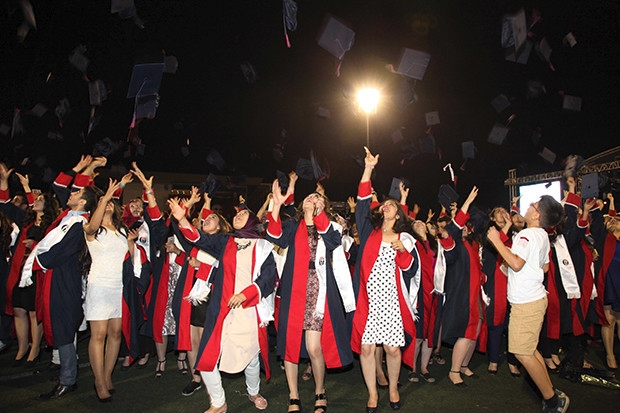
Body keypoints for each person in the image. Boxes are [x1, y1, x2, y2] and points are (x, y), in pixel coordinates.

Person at [171, 197, 277, 413]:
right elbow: (199, 238)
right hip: (222, 309)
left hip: (248, 310)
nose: (237, 215)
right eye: (236, 214)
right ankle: (218, 402)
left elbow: (268, 279)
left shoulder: (264, 246)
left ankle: (253, 391)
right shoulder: (225, 241)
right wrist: (183, 220)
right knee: (207, 356)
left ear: (252, 221)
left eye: (243, 214)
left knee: (250, 358)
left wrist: (246, 294)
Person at [266, 179, 355, 413]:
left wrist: (316, 216)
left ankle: (320, 389)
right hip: (294, 289)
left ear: (324, 206)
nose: (312, 198)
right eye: (309, 196)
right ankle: (293, 395)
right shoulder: (293, 226)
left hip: (318, 288)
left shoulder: (332, 226)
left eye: (318, 198)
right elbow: (275, 236)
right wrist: (275, 206)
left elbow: (334, 241)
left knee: (314, 347)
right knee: (290, 345)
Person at [28, 155, 105, 400]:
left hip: (67, 279)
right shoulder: (68, 216)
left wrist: (37, 261)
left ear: (82, 201)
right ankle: (64, 370)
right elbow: (60, 188)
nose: (70, 194)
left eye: (77, 193)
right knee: (61, 327)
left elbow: (60, 252)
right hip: (57, 277)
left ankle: (68, 379)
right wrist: (82, 168)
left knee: (63, 327)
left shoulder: (79, 224)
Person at [350, 147, 417, 413]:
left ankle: (392, 387)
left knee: (391, 349)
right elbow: (364, 199)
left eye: (392, 205)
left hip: (391, 302)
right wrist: (368, 168)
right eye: (385, 204)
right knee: (366, 350)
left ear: (399, 214)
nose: (386, 206)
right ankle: (372, 394)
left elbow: (412, 271)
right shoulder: (369, 231)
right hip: (368, 301)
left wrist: (403, 255)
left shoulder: (405, 238)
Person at [488, 195, 569, 413]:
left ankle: (553, 400)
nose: (529, 206)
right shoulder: (543, 235)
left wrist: (496, 240)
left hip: (526, 302)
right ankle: (551, 392)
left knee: (522, 352)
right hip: (534, 299)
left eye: (533, 205)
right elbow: (543, 267)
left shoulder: (525, 235)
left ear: (537, 214)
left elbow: (515, 264)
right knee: (529, 350)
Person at [83, 177, 131, 402]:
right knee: (99, 334)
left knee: (115, 333)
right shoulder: (91, 229)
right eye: (103, 202)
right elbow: (92, 225)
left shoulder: (122, 230)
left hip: (118, 286)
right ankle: (99, 381)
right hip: (99, 285)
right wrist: (106, 197)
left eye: (111, 201)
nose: (108, 203)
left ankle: (107, 375)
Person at [437, 187, 487, 386]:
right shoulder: (452, 244)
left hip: (475, 294)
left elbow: (475, 268)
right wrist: (464, 205)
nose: (466, 227)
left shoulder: (470, 245)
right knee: (466, 332)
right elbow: (452, 231)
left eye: (468, 225)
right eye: (463, 225)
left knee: (474, 331)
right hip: (462, 295)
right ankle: (454, 371)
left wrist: (482, 277)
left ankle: (465, 366)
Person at [483, 206, 521, 377]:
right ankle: (493, 360)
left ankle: (513, 362)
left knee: (514, 324)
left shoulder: (518, 236)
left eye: (504, 210)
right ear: (492, 218)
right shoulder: (489, 233)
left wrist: (512, 223)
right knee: (496, 322)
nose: (502, 213)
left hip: (515, 283)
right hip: (496, 283)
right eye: (497, 211)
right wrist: (508, 224)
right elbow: (496, 243)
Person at [592, 193, 620, 370]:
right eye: (610, 220)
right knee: (609, 320)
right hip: (609, 284)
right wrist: (603, 204)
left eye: (616, 219)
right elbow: (596, 223)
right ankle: (610, 356)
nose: (613, 221)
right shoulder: (604, 239)